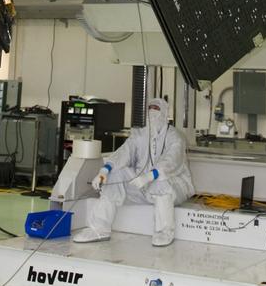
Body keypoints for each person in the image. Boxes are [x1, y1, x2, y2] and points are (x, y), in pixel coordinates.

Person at [72, 98, 194, 247]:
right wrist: (104, 170)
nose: (152, 117)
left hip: (174, 187)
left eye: (156, 113)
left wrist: (150, 176)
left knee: (160, 182)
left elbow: (171, 160)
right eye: (150, 113)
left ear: (165, 114)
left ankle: (164, 231)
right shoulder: (140, 135)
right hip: (143, 185)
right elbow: (124, 152)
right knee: (115, 174)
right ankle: (99, 229)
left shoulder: (175, 137)